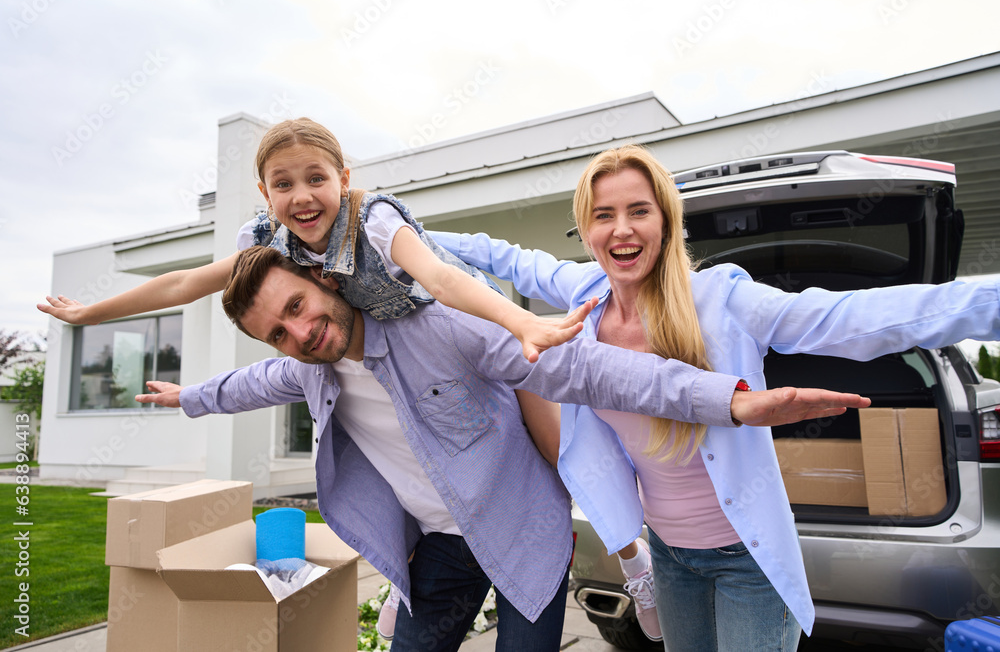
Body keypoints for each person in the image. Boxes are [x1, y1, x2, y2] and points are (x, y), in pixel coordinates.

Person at [34, 117, 651, 632]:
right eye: (283, 184)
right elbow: (188, 288)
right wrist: (95, 314)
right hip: (441, 515)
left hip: (466, 320)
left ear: (343, 179)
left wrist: (520, 324)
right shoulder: (273, 250)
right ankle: (425, 590)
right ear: (264, 192)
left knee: (553, 448)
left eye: (315, 178)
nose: (302, 196)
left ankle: (631, 557)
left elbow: (441, 280)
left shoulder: (375, 222)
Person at [136, 245, 870, 652]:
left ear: (325, 279)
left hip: (526, 531)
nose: (298, 334)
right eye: (277, 331)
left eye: (297, 307)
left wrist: (729, 399)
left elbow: (587, 368)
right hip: (442, 551)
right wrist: (187, 396)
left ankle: (630, 554)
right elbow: (248, 384)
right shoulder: (307, 368)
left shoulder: (440, 326)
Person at [431, 144, 1000, 651]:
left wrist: (989, 304)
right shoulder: (585, 294)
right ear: (587, 229)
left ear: (667, 222)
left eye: (639, 211)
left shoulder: (724, 301)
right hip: (670, 558)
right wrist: (388, 230)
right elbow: (496, 253)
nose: (621, 230)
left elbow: (849, 317)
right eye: (604, 215)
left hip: (744, 559)